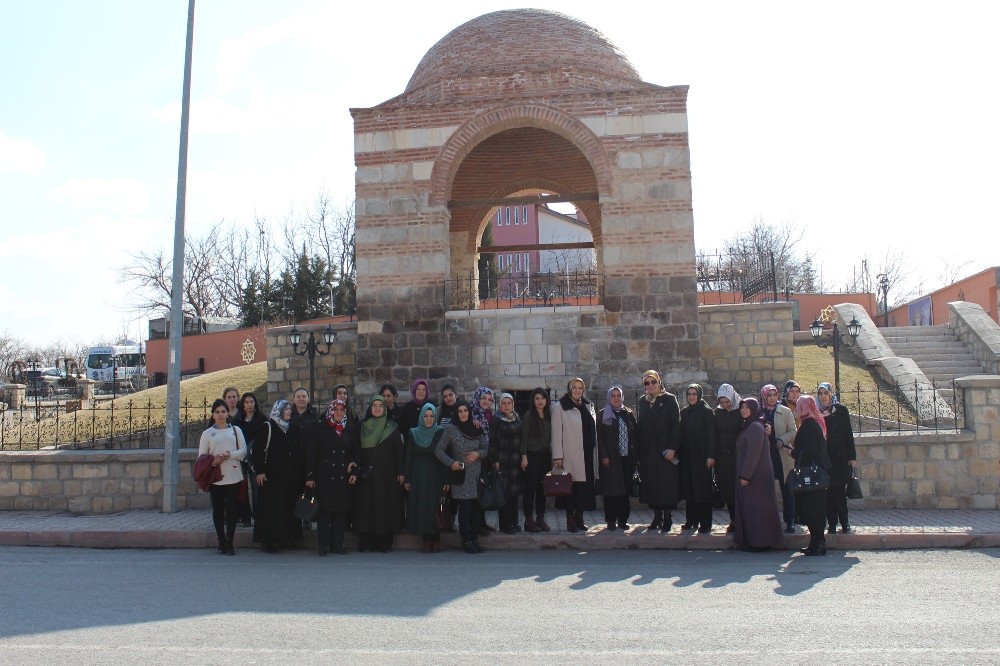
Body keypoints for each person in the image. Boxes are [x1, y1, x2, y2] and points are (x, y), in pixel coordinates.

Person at [435, 400, 490, 554]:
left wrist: (477, 454)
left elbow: (486, 449)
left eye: (466, 410)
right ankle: (466, 540)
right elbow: (439, 451)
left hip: (476, 476)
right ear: (456, 413)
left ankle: (474, 539)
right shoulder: (451, 429)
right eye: (460, 411)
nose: (463, 414)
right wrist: (451, 463)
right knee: (464, 511)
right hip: (461, 475)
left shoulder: (476, 427)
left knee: (476, 511)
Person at [352, 396, 405, 553]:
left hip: (387, 475)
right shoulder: (361, 426)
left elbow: (399, 451)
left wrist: (401, 472)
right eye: (374, 405)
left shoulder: (392, 427)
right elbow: (356, 449)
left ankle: (383, 542)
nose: (377, 408)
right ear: (370, 408)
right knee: (366, 507)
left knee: (384, 506)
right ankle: (366, 542)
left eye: (380, 406)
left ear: (384, 408)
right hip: (366, 475)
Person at [305, 399, 358, 556]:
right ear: (331, 410)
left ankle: (337, 545)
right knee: (325, 514)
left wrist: (354, 470)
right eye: (336, 409)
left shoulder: (349, 429)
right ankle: (323, 546)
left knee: (340, 514)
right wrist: (310, 476)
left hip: (343, 476)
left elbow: (355, 454)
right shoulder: (320, 428)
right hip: (325, 477)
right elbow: (311, 454)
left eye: (342, 410)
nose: (339, 412)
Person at [732, 397, 785, 552]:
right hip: (754, 476)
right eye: (742, 407)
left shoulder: (755, 426)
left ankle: (760, 542)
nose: (743, 410)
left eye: (747, 407)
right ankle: (755, 540)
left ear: (754, 409)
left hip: (756, 477)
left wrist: (745, 475)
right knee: (754, 509)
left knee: (758, 509)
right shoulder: (749, 425)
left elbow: (753, 454)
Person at [199, 398, 248, 555]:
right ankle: (221, 540)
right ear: (213, 415)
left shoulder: (236, 430)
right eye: (217, 412)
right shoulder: (207, 434)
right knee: (218, 510)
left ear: (228, 413)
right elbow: (201, 457)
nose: (220, 415)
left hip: (234, 475)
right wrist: (214, 461)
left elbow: (244, 451)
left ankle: (229, 541)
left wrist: (230, 455)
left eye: (223, 411)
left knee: (233, 510)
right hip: (216, 477)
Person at [253, 400, 302, 553]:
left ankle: (287, 539)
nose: (289, 411)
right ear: (278, 410)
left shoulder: (292, 428)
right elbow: (257, 450)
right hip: (271, 478)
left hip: (289, 478)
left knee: (288, 509)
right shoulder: (267, 427)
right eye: (286, 409)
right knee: (270, 510)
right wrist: (260, 471)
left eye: (289, 409)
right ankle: (267, 541)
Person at [551, 377, 598, 533]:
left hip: (587, 454)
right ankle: (570, 518)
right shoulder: (559, 407)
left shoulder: (587, 405)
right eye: (574, 387)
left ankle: (580, 517)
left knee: (584, 489)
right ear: (569, 388)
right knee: (571, 488)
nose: (577, 390)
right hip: (570, 454)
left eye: (580, 387)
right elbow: (556, 433)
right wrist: (558, 455)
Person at [636, 370, 680, 533]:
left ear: (659, 382)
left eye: (653, 382)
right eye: (647, 383)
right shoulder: (642, 401)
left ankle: (667, 517)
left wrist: (672, 448)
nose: (651, 386)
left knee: (666, 484)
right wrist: (640, 453)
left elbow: (676, 425)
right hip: (649, 450)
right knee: (652, 484)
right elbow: (641, 427)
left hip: (665, 449)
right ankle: (656, 516)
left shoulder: (669, 399)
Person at [404, 403, 449, 553]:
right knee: (422, 507)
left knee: (435, 506)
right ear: (421, 417)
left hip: (436, 474)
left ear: (435, 417)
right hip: (418, 476)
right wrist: (408, 479)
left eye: (431, 416)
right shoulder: (413, 432)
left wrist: (446, 480)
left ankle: (436, 539)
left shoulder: (441, 432)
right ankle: (426, 540)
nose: (429, 419)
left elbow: (446, 457)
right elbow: (409, 457)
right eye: (426, 416)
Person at [792, 395, 832, 556]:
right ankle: (815, 542)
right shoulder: (816, 421)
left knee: (811, 509)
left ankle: (818, 542)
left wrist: (793, 452)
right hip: (818, 473)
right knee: (816, 508)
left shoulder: (808, 425)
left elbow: (810, 450)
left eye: (799, 405)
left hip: (810, 475)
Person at [818, 382, 858, 534]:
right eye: (820, 394)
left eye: (825, 393)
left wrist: (852, 457)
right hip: (825, 458)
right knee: (828, 494)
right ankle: (832, 523)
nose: (823, 397)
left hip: (840, 458)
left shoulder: (841, 410)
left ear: (830, 394)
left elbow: (848, 434)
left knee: (840, 492)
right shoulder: (817, 411)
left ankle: (845, 522)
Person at [596, 386, 637, 531]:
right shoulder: (603, 414)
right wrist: (604, 456)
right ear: (609, 397)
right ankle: (611, 520)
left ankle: (622, 520)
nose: (615, 398)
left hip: (626, 458)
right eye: (613, 395)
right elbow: (599, 438)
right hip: (611, 459)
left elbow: (634, 435)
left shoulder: (628, 414)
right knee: (611, 492)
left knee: (624, 491)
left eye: (618, 395)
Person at [679, 383, 718, 534]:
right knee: (690, 489)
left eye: (694, 394)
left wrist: (711, 456)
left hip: (703, 457)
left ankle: (705, 523)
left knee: (702, 490)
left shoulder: (707, 412)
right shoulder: (684, 412)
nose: (691, 397)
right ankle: (691, 520)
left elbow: (712, 436)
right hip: (688, 456)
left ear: (699, 395)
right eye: (689, 394)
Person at [760, 383, 797, 533]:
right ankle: (768, 520)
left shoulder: (785, 411)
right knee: (766, 489)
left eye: (774, 395)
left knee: (787, 488)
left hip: (781, 454)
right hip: (765, 454)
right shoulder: (759, 412)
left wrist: (781, 439)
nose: (772, 398)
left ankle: (790, 520)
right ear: (764, 396)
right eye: (769, 395)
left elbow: (793, 430)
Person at [490, 393, 524, 533]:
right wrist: (495, 460)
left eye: (509, 403)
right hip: (503, 461)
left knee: (513, 494)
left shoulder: (517, 418)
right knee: (504, 495)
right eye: (504, 403)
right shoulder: (496, 420)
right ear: (500, 404)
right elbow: (492, 442)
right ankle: (505, 525)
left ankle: (514, 522)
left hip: (515, 461)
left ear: (513, 404)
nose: (506, 406)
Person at [520, 388, 552, 532]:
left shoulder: (549, 415)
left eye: (543, 398)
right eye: (537, 398)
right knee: (530, 488)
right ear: (533, 401)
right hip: (531, 455)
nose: (540, 401)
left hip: (545, 455)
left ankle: (540, 518)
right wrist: (523, 456)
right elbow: (524, 437)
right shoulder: (528, 416)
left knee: (542, 488)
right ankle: (528, 520)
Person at [713, 384, 743, 533]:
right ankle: (733, 520)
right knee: (727, 489)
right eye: (722, 402)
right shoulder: (717, 412)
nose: (725, 405)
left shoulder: (740, 411)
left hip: (737, 455)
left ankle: (742, 520)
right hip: (722, 457)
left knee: (739, 489)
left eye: (727, 402)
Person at [233, 392, 266, 527]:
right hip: (241, 458)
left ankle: (258, 516)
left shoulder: (261, 419)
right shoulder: (238, 420)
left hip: (255, 459)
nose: (249, 404)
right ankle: (245, 516)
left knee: (256, 486)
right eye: (246, 402)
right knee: (242, 487)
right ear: (243, 405)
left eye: (251, 402)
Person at [289, 387, 318, 531]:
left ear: (308, 399)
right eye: (298, 396)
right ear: (294, 399)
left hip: (309, 456)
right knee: (294, 489)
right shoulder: (289, 415)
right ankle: (294, 521)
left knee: (308, 489)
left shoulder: (314, 415)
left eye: (304, 396)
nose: (301, 399)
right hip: (293, 458)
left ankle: (306, 518)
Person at [470, 386, 496, 534]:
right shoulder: (470, 414)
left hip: (486, 458)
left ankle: (482, 522)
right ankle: (476, 525)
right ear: (477, 398)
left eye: (489, 399)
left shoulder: (489, 414)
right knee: (476, 493)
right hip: (476, 458)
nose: (486, 401)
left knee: (483, 491)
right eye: (483, 398)